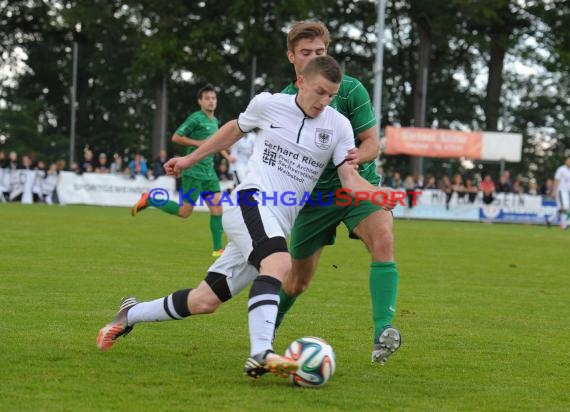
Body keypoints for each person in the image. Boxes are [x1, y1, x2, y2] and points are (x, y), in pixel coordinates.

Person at [96, 56, 397, 379]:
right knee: (280, 265)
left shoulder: (338, 126)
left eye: (331, 96)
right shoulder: (268, 104)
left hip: (274, 223)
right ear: (301, 82)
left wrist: (377, 194)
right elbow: (232, 132)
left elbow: (349, 180)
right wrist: (190, 159)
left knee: (204, 300)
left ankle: (130, 313)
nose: (324, 102)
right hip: (249, 202)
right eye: (320, 92)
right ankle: (261, 353)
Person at [275, 21, 401, 366]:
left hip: (357, 188)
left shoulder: (351, 90)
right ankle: (268, 330)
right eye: (306, 53)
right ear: (292, 57)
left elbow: (372, 142)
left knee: (384, 241)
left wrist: (359, 156)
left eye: (320, 51)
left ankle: (383, 332)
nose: (314, 57)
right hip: (313, 201)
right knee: (297, 283)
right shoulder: (282, 103)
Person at [131, 84, 226, 257]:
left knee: (218, 209)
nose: (211, 101)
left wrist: (227, 155)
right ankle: (150, 200)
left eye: (213, 98)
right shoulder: (196, 118)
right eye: (207, 98)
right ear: (200, 101)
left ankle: (218, 249)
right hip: (193, 171)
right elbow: (176, 137)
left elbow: (215, 143)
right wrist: (198, 144)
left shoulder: (214, 121)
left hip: (209, 173)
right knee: (185, 212)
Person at [551, 156, 570, 229]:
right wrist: (554, 191)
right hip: (561, 191)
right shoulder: (561, 169)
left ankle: (550, 219)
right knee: (565, 207)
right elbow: (556, 180)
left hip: (568, 192)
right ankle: (564, 225)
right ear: (566, 161)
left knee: (562, 208)